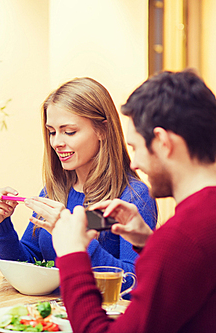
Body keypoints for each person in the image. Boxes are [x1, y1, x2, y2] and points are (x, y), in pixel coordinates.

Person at [51, 70, 216, 332]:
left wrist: (73, 255)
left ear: (162, 142)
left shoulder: (184, 236)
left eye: (136, 147)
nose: (136, 162)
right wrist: (148, 242)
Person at [0, 77, 157, 283]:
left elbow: (135, 282)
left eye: (69, 132)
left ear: (102, 130)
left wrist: (78, 241)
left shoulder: (133, 197)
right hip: (53, 313)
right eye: (52, 132)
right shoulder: (54, 191)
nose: (57, 142)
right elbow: (29, 266)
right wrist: (2, 225)